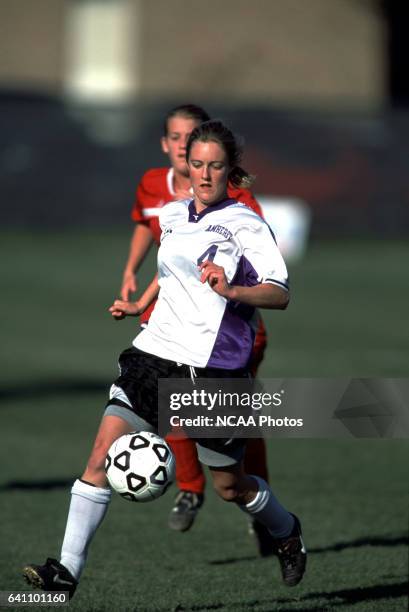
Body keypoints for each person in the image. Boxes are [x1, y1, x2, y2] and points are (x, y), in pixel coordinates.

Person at [23, 120, 306, 598]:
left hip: (215, 367)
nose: (205, 174)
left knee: (230, 487)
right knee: (99, 457)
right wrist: (139, 305)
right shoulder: (173, 214)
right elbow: (170, 270)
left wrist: (232, 288)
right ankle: (64, 572)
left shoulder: (248, 224)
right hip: (155, 352)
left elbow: (279, 294)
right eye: (197, 164)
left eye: (216, 166)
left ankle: (285, 529)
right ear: (187, 165)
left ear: (231, 169)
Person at [121, 104, 272, 550]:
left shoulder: (238, 205)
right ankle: (190, 489)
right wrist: (134, 274)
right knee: (171, 404)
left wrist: (231, 290)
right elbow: (153, 238)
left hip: (229, 332)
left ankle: (258, 502)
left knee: (234, 421)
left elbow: (268, 277)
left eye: (194, 142)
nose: (185, 150)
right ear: (168, 145)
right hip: (170, 321)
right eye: (177, 141)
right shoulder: (159, 192)